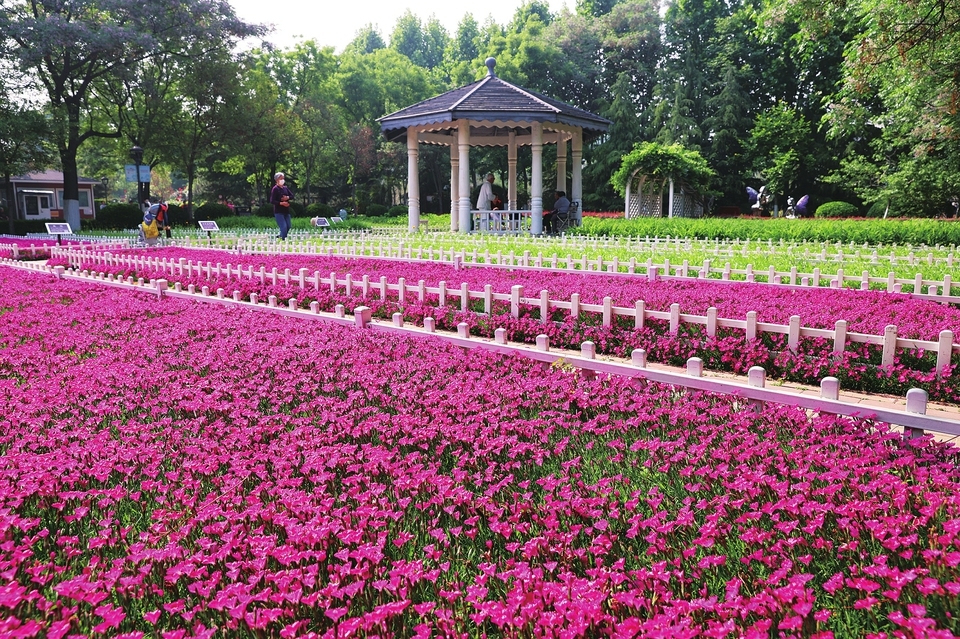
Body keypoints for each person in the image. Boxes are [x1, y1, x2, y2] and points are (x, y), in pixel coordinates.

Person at [270, 172, 293, 240]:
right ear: (277, 180)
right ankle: (283, 240)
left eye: (283, 178)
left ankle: (280, 236)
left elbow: (292, 196)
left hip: (286, 211)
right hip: (278, 211)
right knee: (283, 227)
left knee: (288, 226)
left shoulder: (285, 188)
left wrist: (287, 197)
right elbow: (272, 200)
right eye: (281, 178)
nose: (283, 180)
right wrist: (281, 203)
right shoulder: (275, 189)